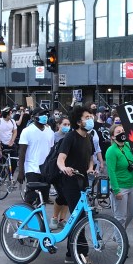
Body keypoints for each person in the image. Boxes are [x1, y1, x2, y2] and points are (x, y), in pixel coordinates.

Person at [54, 106, 96, 249]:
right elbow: (60, 159)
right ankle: (80, 252)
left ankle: (72, 252)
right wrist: (64, 168)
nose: (91, 120)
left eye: (91, 117)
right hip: (69, 180)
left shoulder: (88, 137)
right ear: (79, 122)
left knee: (81, 216)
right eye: (87, 118)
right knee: (78, 217)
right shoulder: (70, 137)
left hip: (83, 180)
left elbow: (91, 157)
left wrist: (90, 169)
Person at [17, 107, 55, 206]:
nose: (45, 117)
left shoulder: (49, 131)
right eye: (42, 114)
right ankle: (24, 218)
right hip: (32, 168)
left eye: (46, 114)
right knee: (31, 197)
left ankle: (39, 219)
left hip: (46, 170)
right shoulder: (27, 131)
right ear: (34, 117)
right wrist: (21, 171)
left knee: (43, 199)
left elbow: (51, 150)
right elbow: (22, 152)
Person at [106, 123, 133, 229]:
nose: (121, 133)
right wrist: (116, 190)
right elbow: (111, 171)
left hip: (132, 184)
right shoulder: (111, 151)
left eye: (122, 130)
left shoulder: (127, 145)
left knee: (130, 214)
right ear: (112, 136)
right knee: (120, 217)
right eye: (118, 132)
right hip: (120, 187)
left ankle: (119, 234)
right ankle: (121, 242)